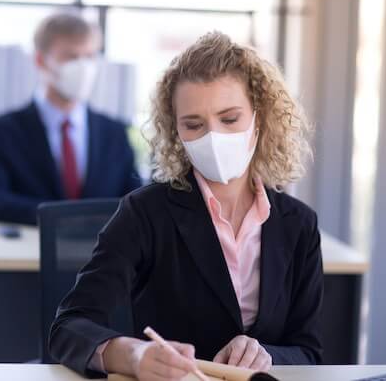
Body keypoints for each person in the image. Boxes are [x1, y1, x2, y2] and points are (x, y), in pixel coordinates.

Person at [49, 31, 323, 380]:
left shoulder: (298, 224)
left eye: (229, 119)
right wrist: (132, 355)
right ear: (176, 132)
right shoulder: (145, 213)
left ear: (259, 119)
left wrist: (266, 356)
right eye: (194, 125)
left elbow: (309, 352)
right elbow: (69, 327)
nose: (213, 137)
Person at [0, 12, 142, 226]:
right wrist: (63, 219)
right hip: (27, 256)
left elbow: (137, 204)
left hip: (106, 257)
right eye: (71, 57)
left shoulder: (114, 133)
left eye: (89, 57)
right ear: (41, 60)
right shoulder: (1, 131)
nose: (83, 67)